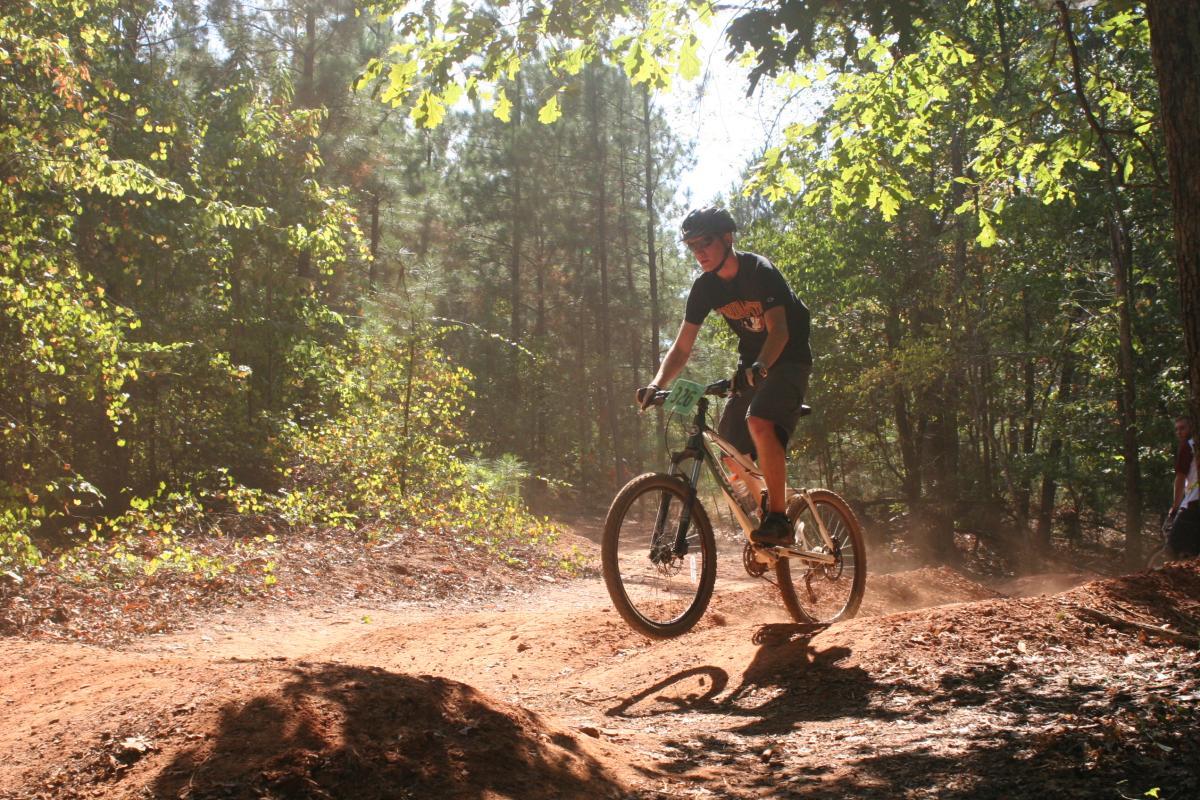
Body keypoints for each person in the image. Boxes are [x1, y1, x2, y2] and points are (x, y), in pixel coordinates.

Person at [635, 206, 812, 546]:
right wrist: (658, 384)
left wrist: (760, 368)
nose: (699, 252)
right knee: (729, 447)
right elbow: (682, 347)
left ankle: (779, 518)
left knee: (759, 421)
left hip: (788, 360)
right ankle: (771, 505)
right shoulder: (705, 288)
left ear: (728, 238)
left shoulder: (760, 271)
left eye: (706, 242)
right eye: (692, 246)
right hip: (751, 367)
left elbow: (779, 332)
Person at [1167, 415, 1200, 558]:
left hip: (1194, 503)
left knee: (1173, 546)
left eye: (1182, 428)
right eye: (1176, 429)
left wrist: (1174, 506)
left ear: (1191, 427)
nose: (1179, 432)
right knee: (1192, 550)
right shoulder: (1196, 445)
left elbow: (1180, 478)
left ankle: (1175, 579)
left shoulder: (1187, 447)